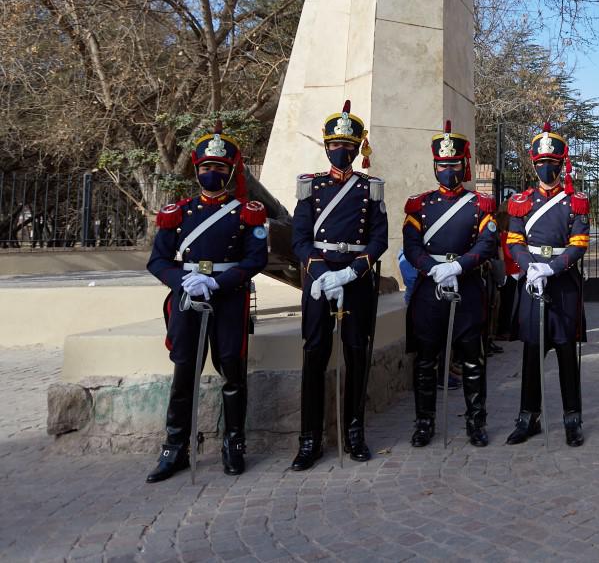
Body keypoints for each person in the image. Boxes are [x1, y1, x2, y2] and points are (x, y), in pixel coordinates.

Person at [145, 123, 268, 482]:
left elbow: (254, 260)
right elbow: (158, 260)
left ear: (230, 173)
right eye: (205, 167)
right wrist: (185, 280)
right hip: (187, 300)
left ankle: (234, 443)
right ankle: (175, 447)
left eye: (219, 168)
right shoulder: (177, 213)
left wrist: (216, 280)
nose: (211, 173)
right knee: (185, 372)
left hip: (228, 299)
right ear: (196, 170)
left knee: (232, 370)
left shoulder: (248, 213)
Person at [289, 101, 389, 470]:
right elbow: (299, 239)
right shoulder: (309, 187)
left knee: (356, 353)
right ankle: (309, 438)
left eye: (348, 144)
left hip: (356, 279)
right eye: (334, 143)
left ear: (359, 145)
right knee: (314, 353)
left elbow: (380, 239)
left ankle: (354, 432)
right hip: (318, 279)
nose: (341, 150)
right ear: (326, 145)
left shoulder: (371, 189)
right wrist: (320, 272)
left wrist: (351, 272)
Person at [401, 121, 499, 447]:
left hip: (467, 286)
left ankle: (476, 422)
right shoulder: (419, 206)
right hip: (430, 288)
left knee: (473, 359)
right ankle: (424, 423)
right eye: (442, 165)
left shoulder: (480, 205)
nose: (447, 170)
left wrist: (459, 265)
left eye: (453, 164)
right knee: (426, 360)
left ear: (464, 164)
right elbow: (411, 245)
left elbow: (487, 244)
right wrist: (432, 268)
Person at [504, 124, 591, 446]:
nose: (546, 166)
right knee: (531, 353)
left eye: (552, 161)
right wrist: (531, 269)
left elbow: (579, 243)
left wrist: (550, 269)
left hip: (563, 283)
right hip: (532, 283)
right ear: (533, 163)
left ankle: (572, 417)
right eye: (540, 161)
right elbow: (514, 241)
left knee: (567, 352)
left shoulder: (576, 202)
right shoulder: (520, 201)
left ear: (561, 162)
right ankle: (529, 417)